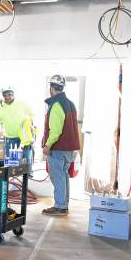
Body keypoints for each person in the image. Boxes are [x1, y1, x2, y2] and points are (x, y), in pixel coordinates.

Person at [41, 74, 81, 216]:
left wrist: (48, 145)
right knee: (63, 176)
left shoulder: (56, 105)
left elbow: (56, 130)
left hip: (58, 148)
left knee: (57, 177)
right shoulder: (70, 103)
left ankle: (59, 206)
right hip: (69, 149)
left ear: (52, 88)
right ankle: (64, 205)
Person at [0, 86, 34, 163]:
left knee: (26, 160)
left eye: (9, 94)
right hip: (10, 138)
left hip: (24, 137)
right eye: (5, 95)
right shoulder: (1, 108)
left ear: (13, 95)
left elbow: (31, 115)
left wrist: (31, 127)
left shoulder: (22, 104)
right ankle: (11, 175)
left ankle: (28, 174)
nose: (7, 97)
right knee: (11, 162)